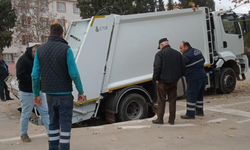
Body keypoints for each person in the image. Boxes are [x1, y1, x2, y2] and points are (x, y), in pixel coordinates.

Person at [32, 23, 84, 150]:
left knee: (53, 124)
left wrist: (36, 94)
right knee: (65, 126)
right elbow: (74, 74)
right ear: (62, 35)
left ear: (49, 34)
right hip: (65, 94)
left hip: (49, 94)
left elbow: (34, 75)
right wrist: (80, 91)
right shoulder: (66, 49)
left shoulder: (40, 50)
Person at [16, 45, 50, 143]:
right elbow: (20, 76)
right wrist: (35, 78)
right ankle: (24, 134)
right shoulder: (23, 60)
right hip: (26, 92)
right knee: (26, 114)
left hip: (38, 92)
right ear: (33, 51)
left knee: (45, 112)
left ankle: (50, 132)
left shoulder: (38, 60)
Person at [152, 38, 184, 125]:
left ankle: (160, 119)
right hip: (174, 82)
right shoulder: (178, 54)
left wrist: (156, 79)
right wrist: (177, 78)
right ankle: (171, 120)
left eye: (160, 47)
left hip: (162, 82)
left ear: (162, 45)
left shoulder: (159, 54)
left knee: (161, 101)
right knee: (172, 101)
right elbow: (182, 68)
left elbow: (157, 68)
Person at [179, 41, 207, 119]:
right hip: (203, 76)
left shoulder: (187, 55)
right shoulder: (197, 51)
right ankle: (199, 111)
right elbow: (203, 61)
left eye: (181, 48)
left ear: (186, 47)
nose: (180, 50)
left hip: (194, 78)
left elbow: (180, 64)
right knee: (199, 95)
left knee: (191, 95)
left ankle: (190, 114)